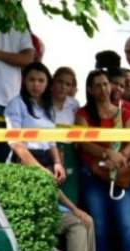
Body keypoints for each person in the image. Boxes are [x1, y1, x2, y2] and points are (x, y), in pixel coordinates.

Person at [5, 62, 96, 251]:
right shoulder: (16, 105)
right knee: (78, 219)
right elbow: (16, 144)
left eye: (41, 80)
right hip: (26, 165)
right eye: (32, 80)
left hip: (46, 164)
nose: (36, 85)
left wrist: (57, 163)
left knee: (86, 221)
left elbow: (51, 140)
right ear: (24, 81)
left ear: (47, 84)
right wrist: (40, 171)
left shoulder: (46, 108)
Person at [75, 69, 130, 251]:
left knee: (127, 227)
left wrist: (121, 157)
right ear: (90, 90)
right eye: (98, 85)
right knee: (101, 227)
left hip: (121, 176)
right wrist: (107, 154)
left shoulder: (125, 111)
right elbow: (83, 143)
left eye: (106, 84)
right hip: (94, 176)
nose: (104, 89)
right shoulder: (83, 114)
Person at [52, 66, 82, 208]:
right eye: (60, 82)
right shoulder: (44, 103)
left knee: (70, 187)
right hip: (49, 147)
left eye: (67, 84)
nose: (63, 87)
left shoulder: (74, 104)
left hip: (69, 150)